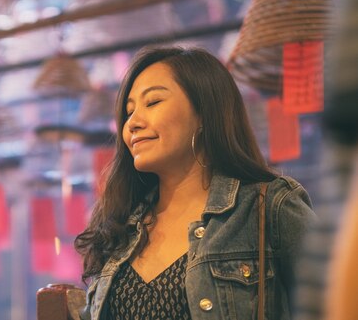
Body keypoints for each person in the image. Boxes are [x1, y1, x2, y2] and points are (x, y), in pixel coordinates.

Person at [75, 46, 316, 320]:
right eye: (129, 112)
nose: (132, 123)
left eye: (152, 102)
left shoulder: (269, 206)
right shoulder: (120, 226)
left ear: (203, 112)